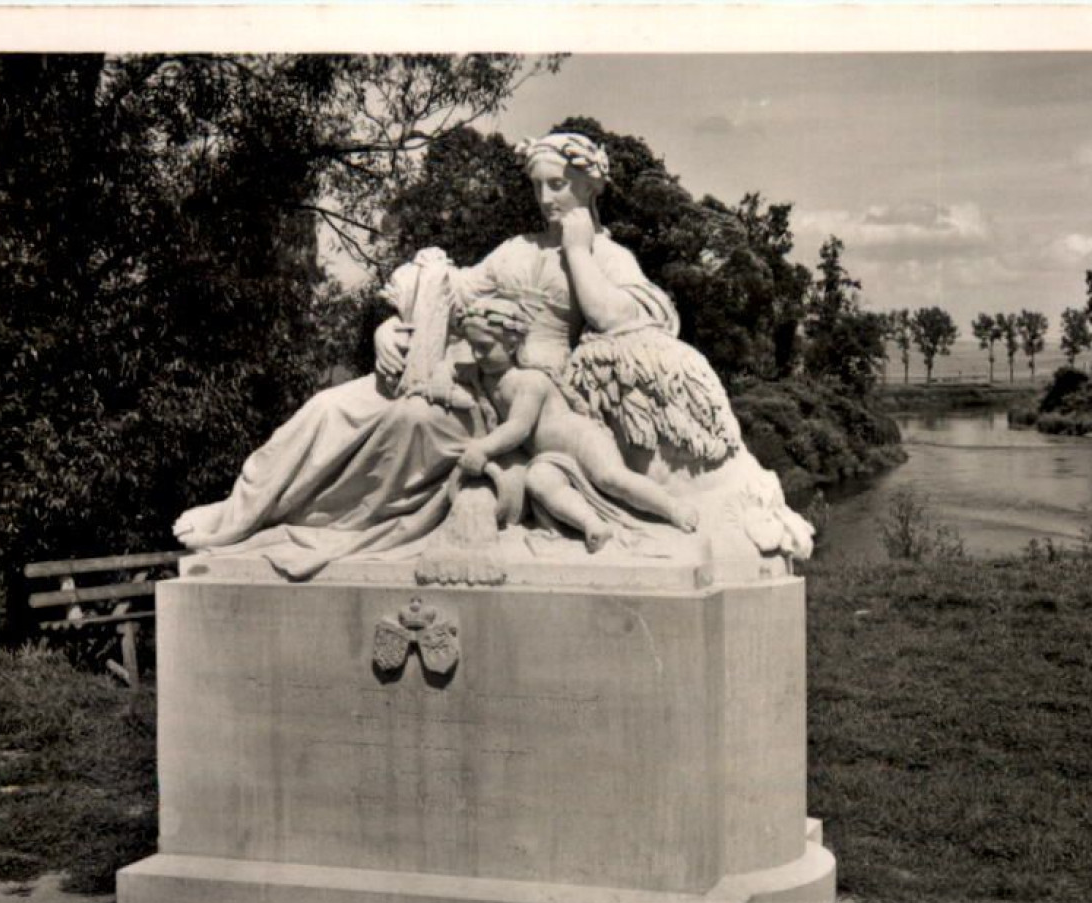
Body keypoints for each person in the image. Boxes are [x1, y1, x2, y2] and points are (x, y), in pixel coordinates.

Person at [171, 131, 685, 578]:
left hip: (507, 401)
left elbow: (618, 317)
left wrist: (578, 248)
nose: (545, 198)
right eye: (537, 186)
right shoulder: (515, 249)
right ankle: (245, 512)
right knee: (327, 408)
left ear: (590, 186)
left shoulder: (607, 256)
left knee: (410, 421)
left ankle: (311, 522)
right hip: (458, 368)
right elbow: (454, 290)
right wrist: (391, 328)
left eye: (558, 185)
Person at [457, 297, 698, 552]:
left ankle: (673, 508)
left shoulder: (529, 380)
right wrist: (439, 379)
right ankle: (592, 525)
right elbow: (450, 370)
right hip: (547, 457)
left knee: (612, 479)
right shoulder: (482, 376)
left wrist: (483, 448)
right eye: (472, 347)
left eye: (483, 347)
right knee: (540, 482)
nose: (476, 355)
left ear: (511, 344)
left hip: (580, 439)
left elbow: (519, 427)